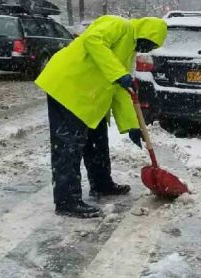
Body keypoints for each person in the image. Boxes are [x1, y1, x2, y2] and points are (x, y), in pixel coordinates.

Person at [35, 16, 167, 218]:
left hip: (87, 96)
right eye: (147, 42)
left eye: (150, 46)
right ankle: (66, 200)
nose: (145, 47)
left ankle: (101, 184)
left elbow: (120, 90)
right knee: (68, 145)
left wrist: (132, 125)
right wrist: (117, 74)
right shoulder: (118, 25)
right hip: (67, 86)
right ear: (143, 31)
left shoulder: (128, 50)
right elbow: (92, 40)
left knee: (97, 139)